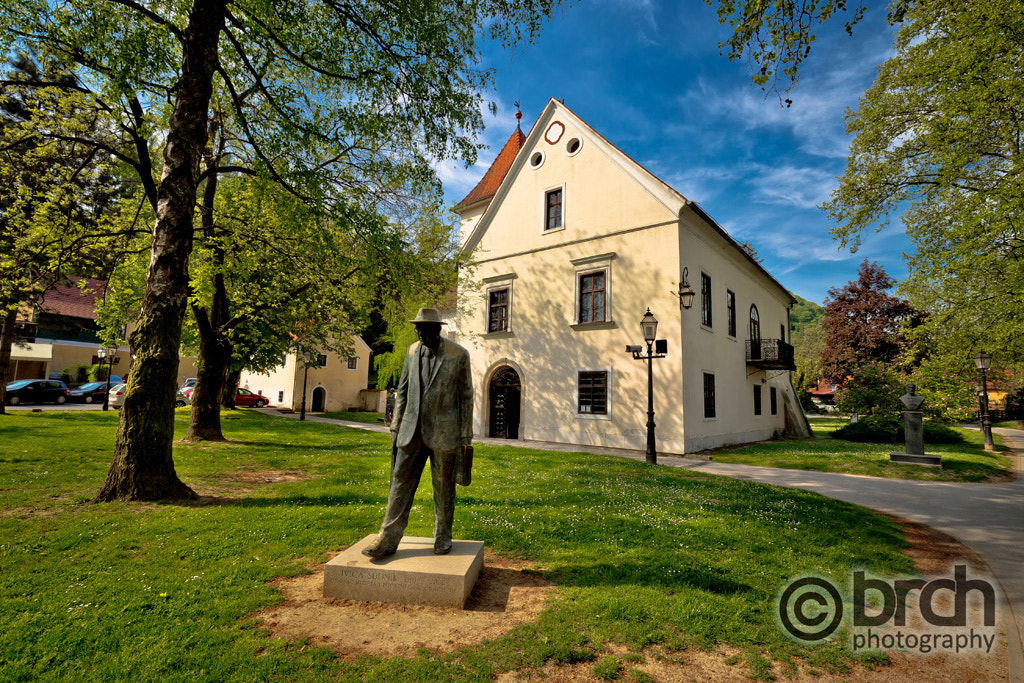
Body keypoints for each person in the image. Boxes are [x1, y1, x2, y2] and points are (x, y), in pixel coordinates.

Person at [363, 308, 474, 558]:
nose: (419, 333)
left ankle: (443, 535)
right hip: (410, 431)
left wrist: (465, 435)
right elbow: (402, 391)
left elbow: (467, 396)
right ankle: (388, 537)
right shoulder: (412, 350)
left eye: (424, 329)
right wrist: (395, 425)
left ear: (437, 329)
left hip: (445, 431)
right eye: (418, 329)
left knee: (444, 487)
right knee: (399, 482)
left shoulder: (459, 355)